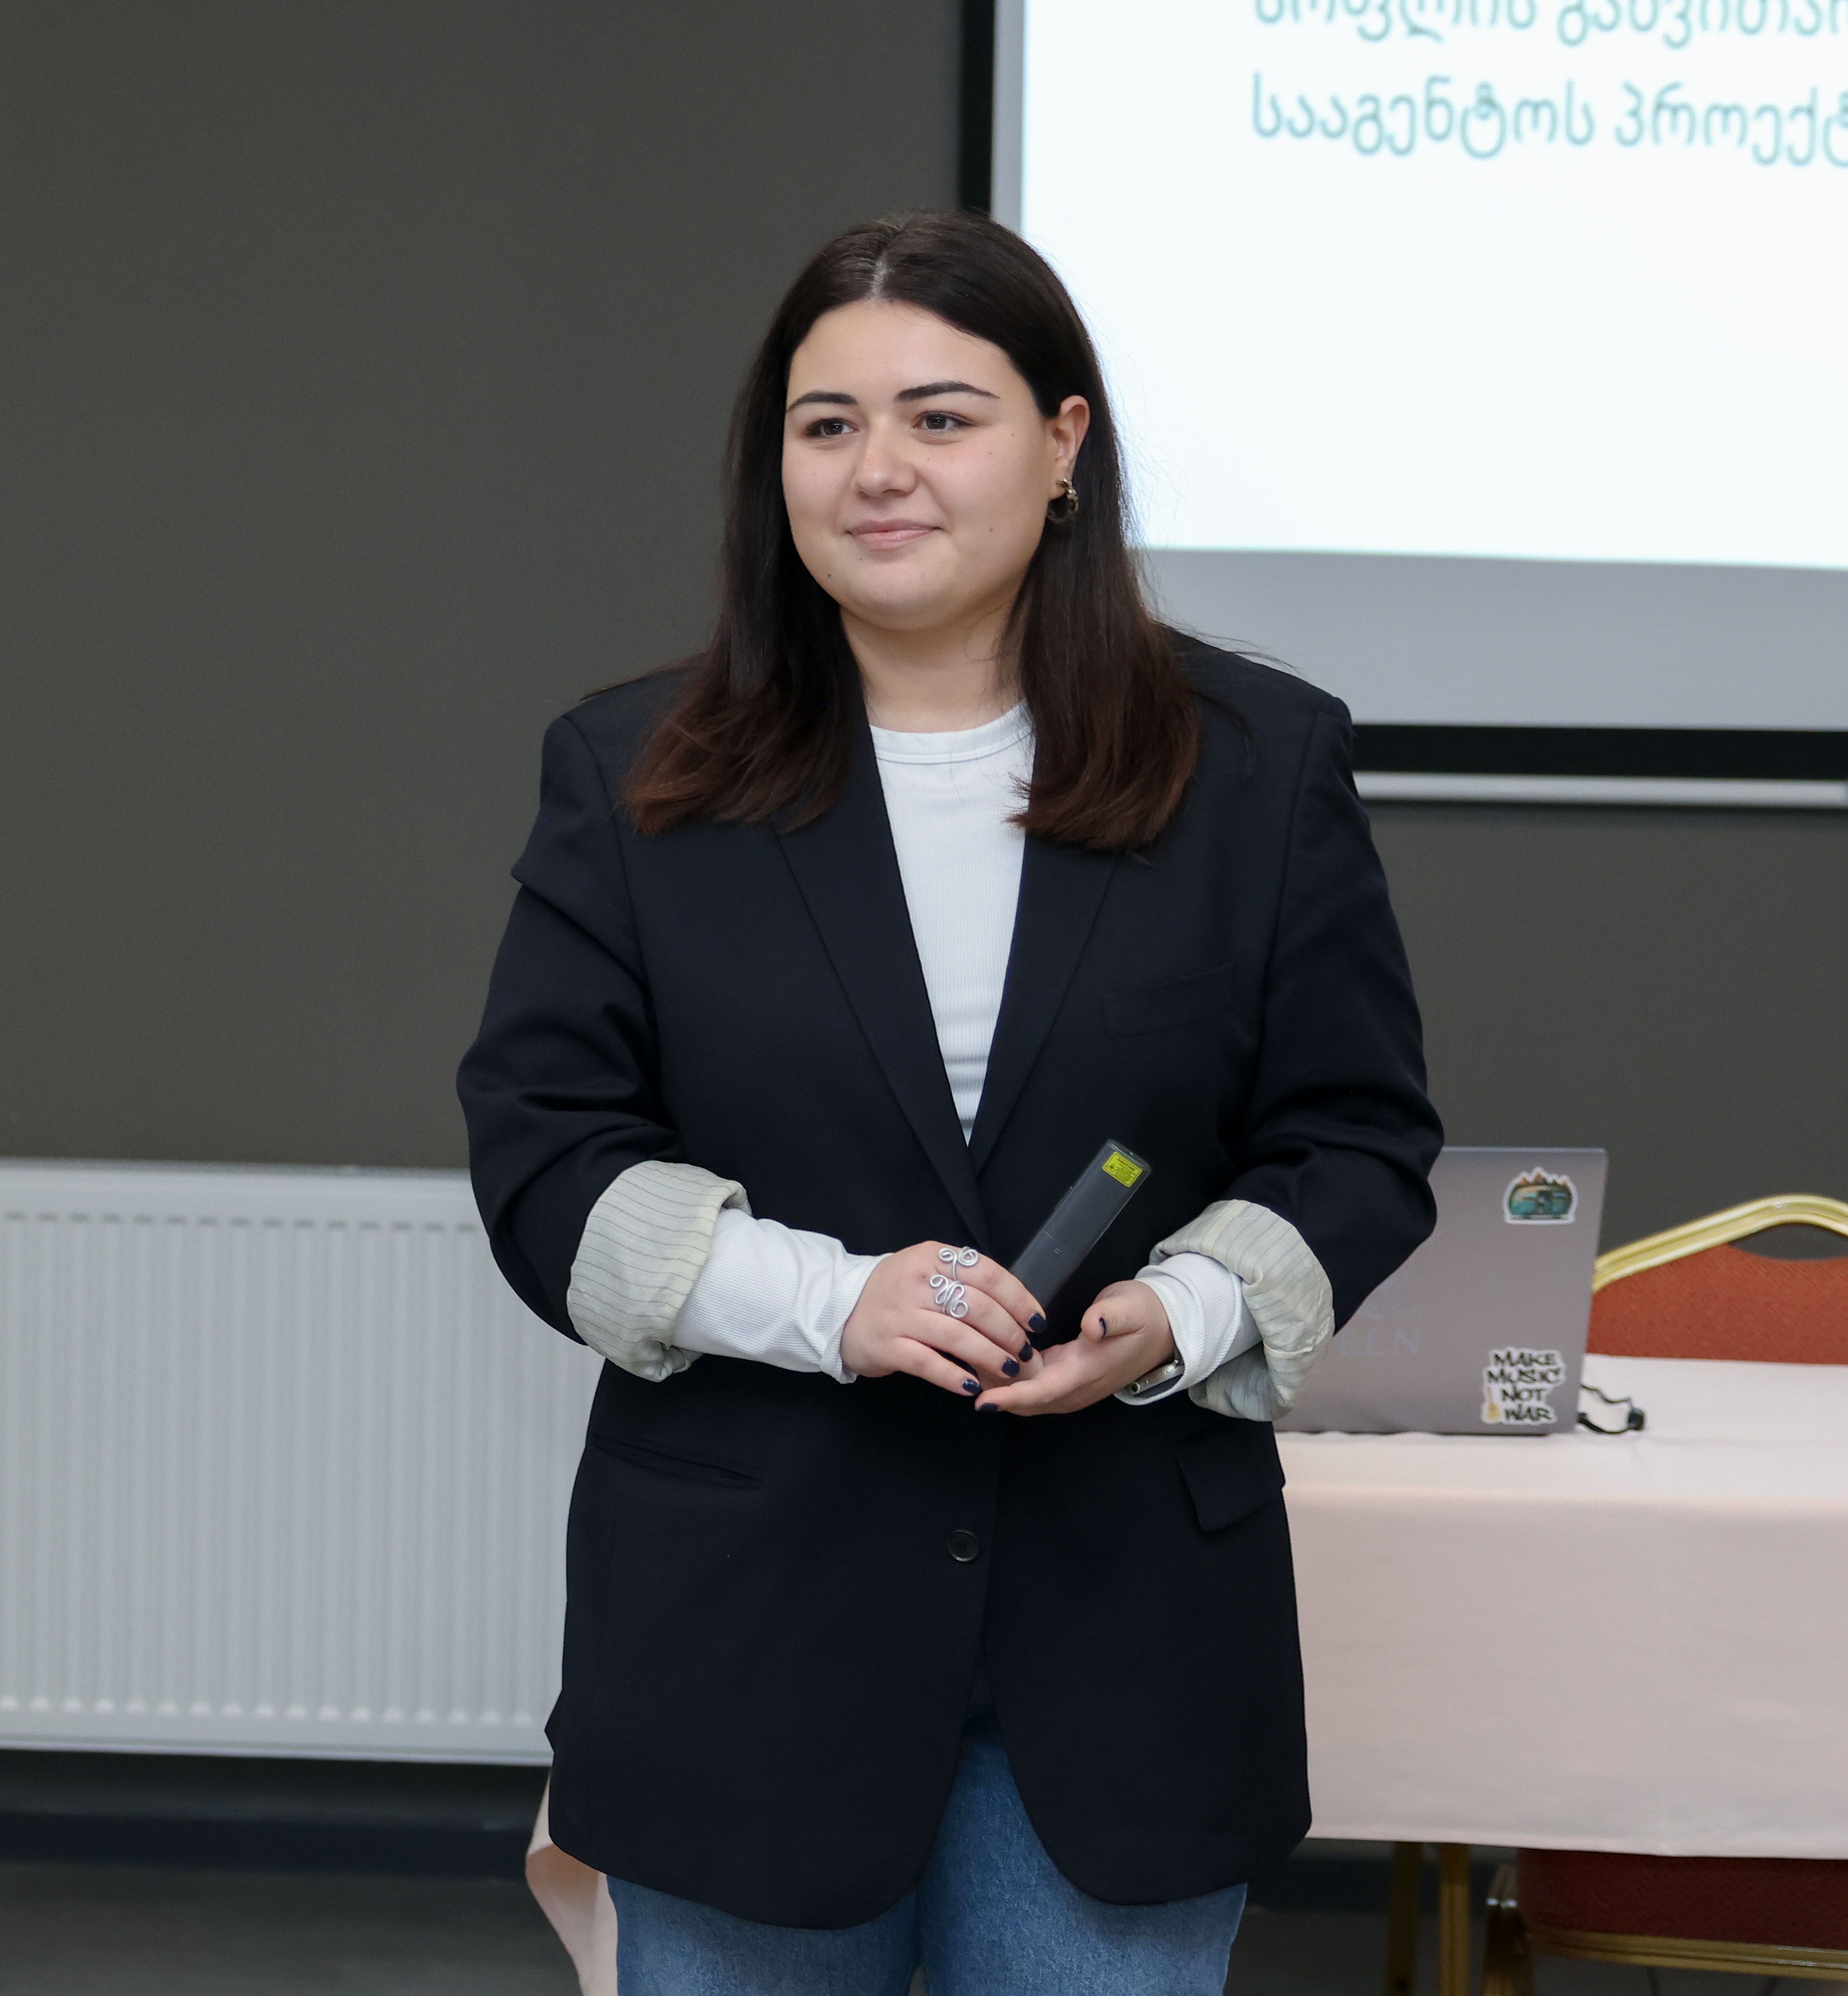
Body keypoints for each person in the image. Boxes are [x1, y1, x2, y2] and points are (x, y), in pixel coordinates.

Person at [457, 209, 1441, 1995]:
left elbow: (1357, 1140)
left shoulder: (1257, 762)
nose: (878, 470)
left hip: (1128, 1652)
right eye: (827, 425)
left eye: (940, 417)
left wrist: (1181, 1311)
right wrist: (836, 1302)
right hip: (749, 1650)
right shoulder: (630, 773)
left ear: (1063, 446)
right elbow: (546, 1157)